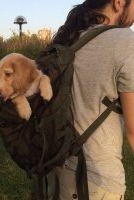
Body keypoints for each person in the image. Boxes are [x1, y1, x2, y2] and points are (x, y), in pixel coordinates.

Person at [47, 0, 134, 199]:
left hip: (57, 171)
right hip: (95, 182)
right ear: (119, 2)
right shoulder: (125, 41)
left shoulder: (69, 38)